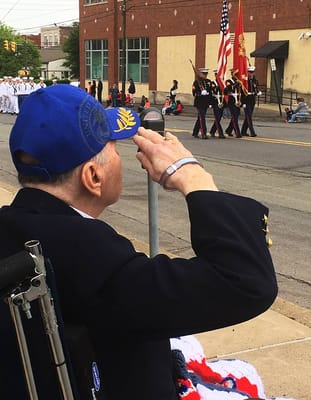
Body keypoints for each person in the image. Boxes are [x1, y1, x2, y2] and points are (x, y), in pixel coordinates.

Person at [0, 84, 277, 400]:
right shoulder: (90, 256)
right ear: (93, 177)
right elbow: (245, 282)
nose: (122, 157)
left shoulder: (12, 227)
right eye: (114, 149)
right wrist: (192, 177)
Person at [191, 65, 213, 140]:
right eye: (203, 74)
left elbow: (210, 93)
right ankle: (204, 133)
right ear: (200, 74)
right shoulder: (196, 82)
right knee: (202, 118)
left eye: (206, 74)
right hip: (199, 103)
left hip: (206, 103)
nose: (205, 75)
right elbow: (194, 93)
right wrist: (200, 93)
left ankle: (195, 132)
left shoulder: (208, 82)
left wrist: (210, 103)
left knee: (200, 118)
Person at [240, 66, 259, 137]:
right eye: (250, 72)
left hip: (252, 100)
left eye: (252, 72)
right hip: (246, 100)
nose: (251, 74)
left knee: (248, 116)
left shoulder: (255, 81)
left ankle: (243, 131)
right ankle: (252, 132)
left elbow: (256, 88)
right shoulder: (245, 81)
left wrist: (257, 92)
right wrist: (243, 102)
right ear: (247, 72)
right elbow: (242, 92)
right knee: (249, 117)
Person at [209, 69, 226, 139]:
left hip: (221, 102)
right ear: (215, 75)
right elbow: (213, 90)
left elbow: (226, 92)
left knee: (218, 118)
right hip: (215, 102)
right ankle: (220, 133)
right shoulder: (213, 83)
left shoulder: (223, 83)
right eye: (217, 75)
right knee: (217, 117)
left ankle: (212, 131)